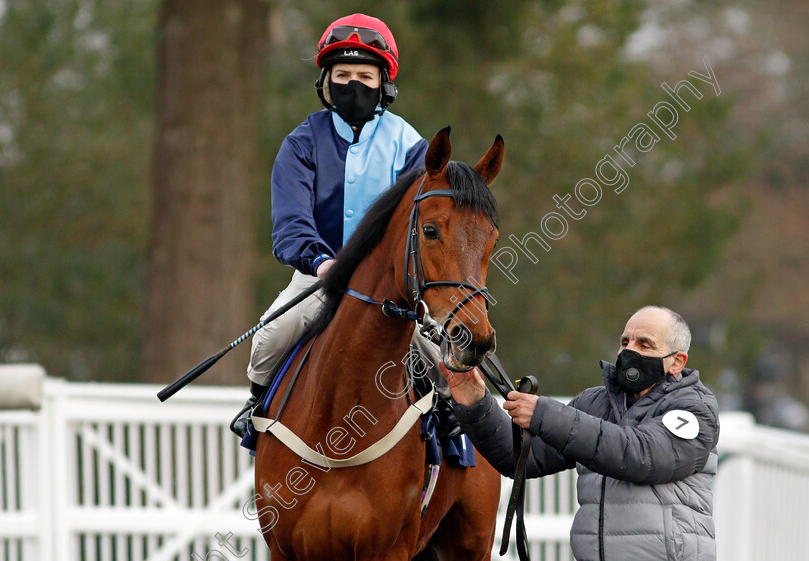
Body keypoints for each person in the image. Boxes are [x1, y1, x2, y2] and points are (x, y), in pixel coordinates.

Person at [231, 14, 458, 438]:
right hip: (319, 277)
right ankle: (256, 406)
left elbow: (419, 222)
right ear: (326, 82)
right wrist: (321, 264)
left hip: (392, 284)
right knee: (272, 336)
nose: (353, 84)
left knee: (441, 348)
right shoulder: (300, 143)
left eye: (364, 75)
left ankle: (451, 417)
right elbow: (291, 225)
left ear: (383, 84)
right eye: (343, 74)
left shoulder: (411, 146)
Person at [444, 306, 719, 561]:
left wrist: (544, 414)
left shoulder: (695, 408)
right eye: (625, 342)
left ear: (677, 362)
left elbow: (640, 455)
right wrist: (476, 403)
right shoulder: (594, 403)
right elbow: (520, 458)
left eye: (644, 344)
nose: (628, 351)